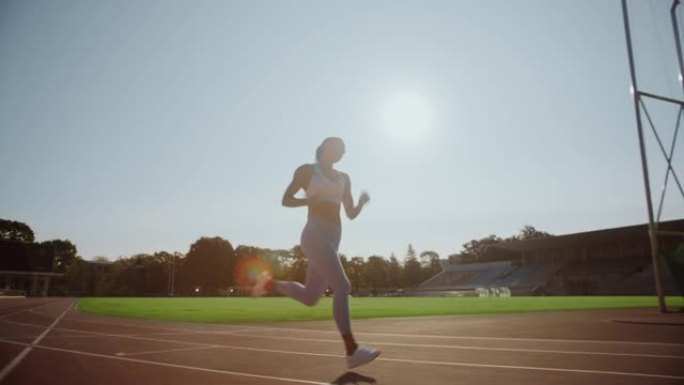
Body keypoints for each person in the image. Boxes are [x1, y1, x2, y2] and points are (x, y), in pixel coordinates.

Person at [251, 137, 380, 369]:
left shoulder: (344, 178)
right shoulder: (306, 171)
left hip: (334, 238)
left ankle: (268, 284)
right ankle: (352, 350)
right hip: (314, 235)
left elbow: (349, 213)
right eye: (336, 146)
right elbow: (285, 200)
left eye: (343, 150)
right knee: (342, 286)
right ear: (323, 148)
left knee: (311, 297)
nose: (340, 151)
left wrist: (360, 203)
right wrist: (308, 201)